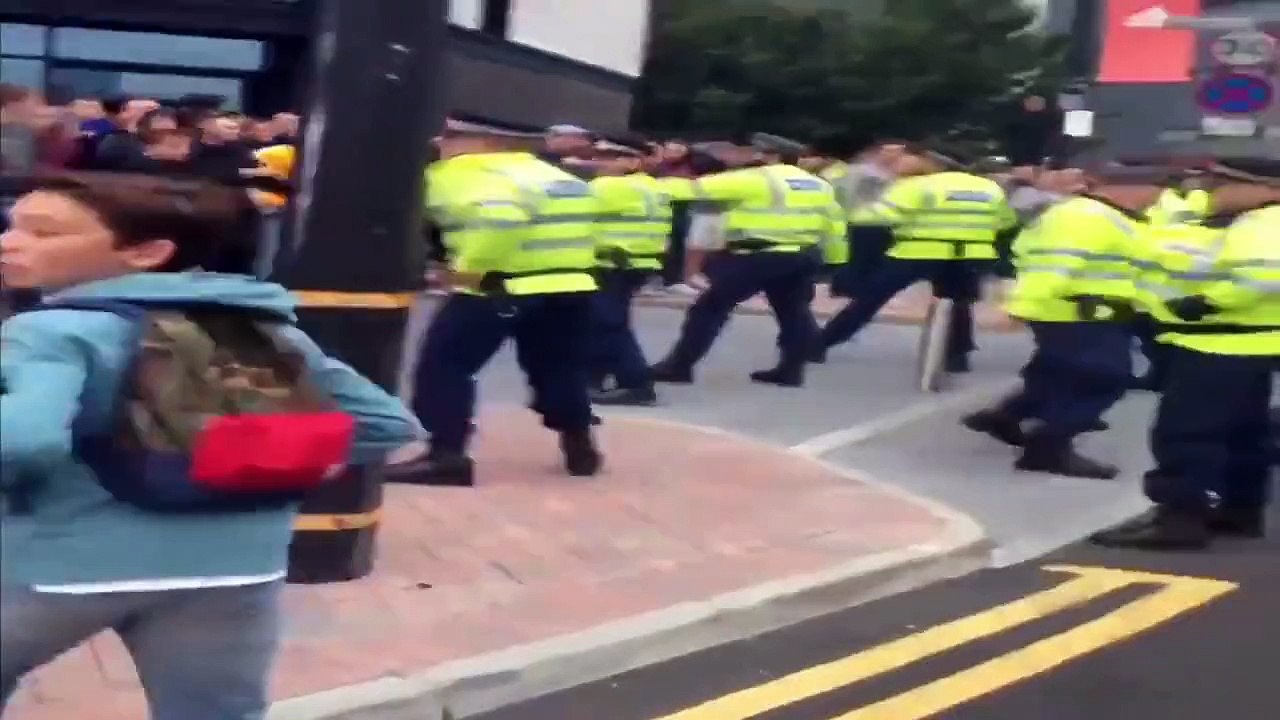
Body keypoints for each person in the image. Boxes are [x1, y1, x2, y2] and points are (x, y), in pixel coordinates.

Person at [0, 172, 422, 719]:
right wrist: (256, 464)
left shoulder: (54, 331)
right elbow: (386, 424)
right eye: (13, 225)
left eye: (43, 232)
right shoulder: (266, 329)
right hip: (235, 566)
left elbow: (25, 443)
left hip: (60, 562)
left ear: (147, 252)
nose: (10, 240)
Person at [391, 120, 603, 487]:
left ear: (481, 142)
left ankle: (446, 456)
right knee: (559, 367)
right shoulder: (551, 173)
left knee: (446, 364)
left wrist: (464, 273)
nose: (441, 145)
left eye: (450, 138)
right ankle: (578, 441)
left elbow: (500, 218)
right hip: (572, 284)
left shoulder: (460, 172)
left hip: (500, 286)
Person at [1091, 157, 1279, 549]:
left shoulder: (1265, 223)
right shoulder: (1240, 220)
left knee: (1187, 432)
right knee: (1244, 432)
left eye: (1224, 182)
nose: (1211, 189)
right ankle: (1239, 511)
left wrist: (1208, 302)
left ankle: (1179, 519)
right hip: (1242, 341)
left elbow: (1266, 276)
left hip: (1217, 340)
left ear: (1267, 189)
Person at [962, 166, 1154, 479]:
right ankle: (1048, 447)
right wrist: (1022, 306)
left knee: (1057, 373)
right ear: (1134, 187)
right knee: (1104, 380)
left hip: (1080, 312)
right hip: (1077, 314)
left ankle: (1006, 417)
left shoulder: (1101, 216)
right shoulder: (1087, 217)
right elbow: (1053, 265)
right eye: (1156, 189)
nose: (1158, 198)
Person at [649, 133, 845, 388]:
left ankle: (679, 366)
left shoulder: (756, 178)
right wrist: (835, 261)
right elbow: (835, 225)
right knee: (792, 312)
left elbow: (693, 189)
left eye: (757, 152)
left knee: (709, 308)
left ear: (770, 156)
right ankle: (791, 371)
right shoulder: (818, 184)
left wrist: (641, 185)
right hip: (802, 255)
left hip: (757, 254)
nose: (752, 156)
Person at [815, 143, 1018, 372]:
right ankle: (957, 357)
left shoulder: (919, 185)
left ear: (933, 161)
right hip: (971, 253)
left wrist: (851, 216)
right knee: (957, 304)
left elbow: (878, 216)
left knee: (871, 298)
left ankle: (821, 343)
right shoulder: (989, 188)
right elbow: (1006, 222)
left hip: (919, 251)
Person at [587, 138, 673, 406]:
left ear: (634, 161)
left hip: (610, 263)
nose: (601, 161)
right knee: (608, 320)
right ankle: (593, 376)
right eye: (600, 155)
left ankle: (637, 383)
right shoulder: (652, 187)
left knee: (608, 323)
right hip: (639, 263)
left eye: (613, 157)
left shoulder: (607, 187)